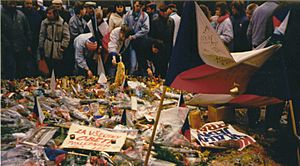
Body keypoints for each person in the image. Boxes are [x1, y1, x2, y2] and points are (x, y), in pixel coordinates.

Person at [1, 0, 32, 79]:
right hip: (7, 48)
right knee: (9, 69)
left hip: (21, 47)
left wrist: (28, 44)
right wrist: (6, 44)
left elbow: (27, 30)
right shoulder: (1, 15)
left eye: (14, 3)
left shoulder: (21, 15)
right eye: (10, 3)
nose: (12, 5)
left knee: (21, 69)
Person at [38, 6, 70, 77]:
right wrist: (41, 47)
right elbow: (42, 35)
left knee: (58, 70)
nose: (48, 15)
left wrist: (63, 46)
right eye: (47, 13)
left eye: (50, 13)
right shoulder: (45, 23)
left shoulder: (63, 23)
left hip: (58, 49)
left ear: (55, 14)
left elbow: (66, 36)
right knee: (47, 70)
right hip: (47, 48)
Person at [123, 0, 150, 75]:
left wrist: (135, 36)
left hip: (141, 42)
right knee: (132, 64)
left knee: (142, 63)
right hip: (130, 42)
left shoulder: (144, 15)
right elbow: (124, 25)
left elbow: (146, 29)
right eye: (137, 6)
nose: (139, 8)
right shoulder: (128, 14)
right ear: (134, 5)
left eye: (140, 6)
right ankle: (129, 79)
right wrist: (128, 33)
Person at [149, 4, 174, 78]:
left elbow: (172, 36)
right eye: (162, 11)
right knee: (157, 69)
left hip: (167, 48)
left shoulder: (171, 21)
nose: (164, 13)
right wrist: (153, 46)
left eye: (166, 11)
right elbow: (151, 36)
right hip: (158, 47)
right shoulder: (155, 21)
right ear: (159, 12)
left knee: (165, 69)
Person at [21, 0, 43, 77]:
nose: (29, 5)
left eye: (30, 3)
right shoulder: (20, 14)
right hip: (22, 43)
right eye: (27, 3)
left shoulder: (36, 15)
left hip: (35, 42)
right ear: (24, 4)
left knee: (34, 62)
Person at [66, 1, 87, 75]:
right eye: (84, 9)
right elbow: (73, 34)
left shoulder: (83, 20)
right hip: (75, 44)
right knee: (76, 63)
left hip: (83, 44)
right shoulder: (73, 20)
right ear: (80, 10)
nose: (85, 11)